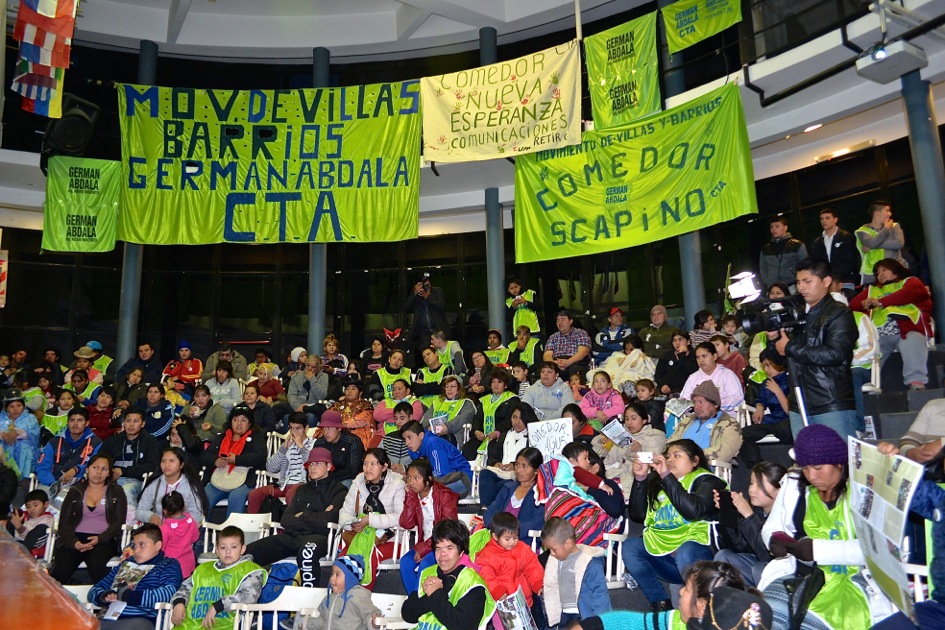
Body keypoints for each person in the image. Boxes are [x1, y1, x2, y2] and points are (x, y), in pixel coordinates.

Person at [761, 424, 895, 629]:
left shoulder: (863, 488)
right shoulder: (793, 484)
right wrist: (774, 539)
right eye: (805, 468)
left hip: (856, 577)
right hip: (800, 574)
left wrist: (817, 550)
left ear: (839, 464)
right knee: (765, 616)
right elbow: (771, 527)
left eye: (818, 468)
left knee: (815, 622)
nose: (812, 476)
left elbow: (876, 549)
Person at [623, 439, 726, 611]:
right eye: (668, 456)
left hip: (699, 559)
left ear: (695, 461)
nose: (670, 460)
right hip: (665, 559)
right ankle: (660, 603)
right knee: (631, 547)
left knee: (686, 550)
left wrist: (666, 477)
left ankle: (701, 604)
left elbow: (693, 511)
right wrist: (640, 479)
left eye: (677, 456)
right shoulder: (658, 482)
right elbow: (637, 514)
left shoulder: (708, 481)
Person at [768, 257, 859, 438]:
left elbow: (835, 354)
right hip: (798, 404)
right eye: (798, 282)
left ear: (826, 281)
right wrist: (775, 340)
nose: (801, 287)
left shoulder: (840, 313)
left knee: (837, 463)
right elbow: (781, 361)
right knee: (807, 463)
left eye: (807, 281)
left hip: (830, 402)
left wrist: (789, 347)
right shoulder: (796, 315)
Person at [572, 561, 772, 630]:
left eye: (687, 589)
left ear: (702, 606)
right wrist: (591, 625)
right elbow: (634, 623)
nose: (681, 591)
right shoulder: (677, 619)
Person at [244, 447, 347, 570]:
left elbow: (329, 520)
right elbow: (286, 520)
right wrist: (318, 516)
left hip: (320, 539)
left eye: (318, 463)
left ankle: (308, 589)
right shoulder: (302, 489)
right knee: (249, 553)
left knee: (307, 553)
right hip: (293, 536)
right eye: (310, 463)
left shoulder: (339, 490)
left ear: (329, 466)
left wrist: (302, 515)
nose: (312, 467)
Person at [850, 257, 933, 391]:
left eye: (884, 270)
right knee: (867, 354)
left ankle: (916, 382)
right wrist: (864, 303)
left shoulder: (911, 281)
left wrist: (880, 301)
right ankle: (866, 384)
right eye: (877, 272)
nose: (880, 274)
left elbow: (908, 294)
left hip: (907, 330)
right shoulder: (872, 289)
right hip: (879, 335)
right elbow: (853, 304)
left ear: (895, 269)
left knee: (914, 342)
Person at [401, 519, 495, 630]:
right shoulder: (428, 572)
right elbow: (407, 614)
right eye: (438, 549)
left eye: (449, 548)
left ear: (461, 552)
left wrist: (436, 594)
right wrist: (430, 597)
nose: (442, 554)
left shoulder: (472, 582)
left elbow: (462, 626)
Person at [87, 523, 184, 629]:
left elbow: (169, 592)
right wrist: (104, 596)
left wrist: (131, 596)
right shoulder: (125, 564)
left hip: (143, 618)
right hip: (109, 618)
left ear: (158, 545)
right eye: (134, 546)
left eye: (142, 545)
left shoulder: (168, 564)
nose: (136, 550)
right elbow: (94, 590)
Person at [170, 525, 267, 630]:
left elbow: (249, 596)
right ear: (216, 550)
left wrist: (219, 605)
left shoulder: (250, 570)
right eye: (223, 547)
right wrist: (179, 603)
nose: (228, 551)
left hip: (224, 625)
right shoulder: (203, 569)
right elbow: (185, 588)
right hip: (188, 625)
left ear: (242, 549)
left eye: (233, 547)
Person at [50, 454, 127, 584]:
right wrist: (74, 542)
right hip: (74, 539)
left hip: (103, 540)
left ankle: (102, 599)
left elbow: (118, 522)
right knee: (61, 568)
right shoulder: (74, 491)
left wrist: (100, 539)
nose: (98, 472)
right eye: (95, 467)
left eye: (104, 469)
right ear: (87, 469)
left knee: (97, 564)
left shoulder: (116, 491)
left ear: (109, 473)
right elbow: (65, 522)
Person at [337, 448, 405, 586]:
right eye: (365, 464)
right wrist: (353, 524)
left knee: (368, 558)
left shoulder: (397, 484)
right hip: (361, 537)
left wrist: (370, 520)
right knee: (342, 560)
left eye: (373, 464)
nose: (368, 468)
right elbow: (344, 513)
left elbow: (400, 517)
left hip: (390, 538)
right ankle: (342, 601)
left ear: (384, 466)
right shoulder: (358, 483)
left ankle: (362, 602)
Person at [713, 461, 786, 587]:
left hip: (780, 571)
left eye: (760, 485)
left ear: (780, 490)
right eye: (752, 483)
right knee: (723, 556)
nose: (752, 490)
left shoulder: (786, 516)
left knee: (759, 568)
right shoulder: (756, 512)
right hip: (756, 566)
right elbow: (737, 547)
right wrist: (727, 513)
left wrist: (748, 516)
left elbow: (766, 556)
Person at [398, 458, 460, 593]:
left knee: (425, 565)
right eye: (408, 478)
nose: (411, 482)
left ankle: (420, 603)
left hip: (441, 544)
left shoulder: (445, 495)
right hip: (424, 544)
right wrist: (409, 497)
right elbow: (406, 523)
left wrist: (424, 549)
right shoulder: (414, 495)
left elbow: (447, 529)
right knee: (405, 563)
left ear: (428, 480)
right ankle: (414, 600)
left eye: (416, 478)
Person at [541, 516, 611, 628]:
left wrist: (602, 622)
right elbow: (552, 587)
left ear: (568, 543)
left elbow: (600, 595)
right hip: (564, 616)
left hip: (583, 616)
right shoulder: (555, 562)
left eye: (554, 549)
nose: (551, 553)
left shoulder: (590, 564)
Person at [201, 405, 267, 517]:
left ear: (249, 423)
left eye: (243, 420)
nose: (239, 424)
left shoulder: (256, 437)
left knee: (236, 497)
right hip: (219, 479)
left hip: (245, 481)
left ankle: (232, 533)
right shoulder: (223, 437)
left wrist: (237, 459)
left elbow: (260, 456)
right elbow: (205, 455)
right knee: (204, 499)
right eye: (235, 420)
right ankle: (200, 534)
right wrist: (215, 460)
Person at [475, 512, 544, 615]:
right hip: (501, 605)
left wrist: (538, 583)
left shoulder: (522, 549)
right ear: (495, 536)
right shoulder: (487, 555)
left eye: (515, 538)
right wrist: (497, 590)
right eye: (507, 539)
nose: (512, 542)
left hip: (524, 602)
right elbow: (486, 576)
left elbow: (533, 567)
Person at [593, 402, 667, 493]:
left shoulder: (655, 436)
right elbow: (608, 460)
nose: (629, 423)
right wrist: (602, 442)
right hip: (617, 475)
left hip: (640, 480)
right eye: (627, 419)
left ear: (644, 420)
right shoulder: (622, 434)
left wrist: (637, 451)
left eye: (633, 418)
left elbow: (653, 462)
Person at [247, 412, 313, 514]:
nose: (294, 432)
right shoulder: (286, 445)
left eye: (298, 428)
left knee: (292, 493)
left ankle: (289, 528)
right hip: (284, 485)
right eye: (291, 428)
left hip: (303, 485)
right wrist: (283, 449)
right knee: (254, 494)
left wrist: (301, 446)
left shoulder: (313, 444)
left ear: (306, 428)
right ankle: (254, 527)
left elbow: (312, 465)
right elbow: (270, 468)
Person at [738, 350, 792, 471]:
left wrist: (777, 391)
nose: (767, 370)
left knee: (784, 428)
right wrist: (760, 407)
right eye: (764, 366)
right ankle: (759, 468)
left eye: (769, 365)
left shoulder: (790, 380)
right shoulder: (766, 383)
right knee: (742, 434)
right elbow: (760, 399)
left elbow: (790, 410)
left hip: (788, 420)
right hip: (771, 422)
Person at [482, 447, 545, 549]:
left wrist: (509, 535)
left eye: (525, 466)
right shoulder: (508, 488)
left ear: (536, 470)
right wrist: (497, 530)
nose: (519, 470)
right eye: (517, 464)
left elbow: (536, 523)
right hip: (500, 542)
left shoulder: (540, 494)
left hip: (524, 545)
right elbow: (491, 511)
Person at [298, 554, 381, 630]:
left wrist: (374, 622)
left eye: (337, 574)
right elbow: (323, 620)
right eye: (332, 574)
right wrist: (306, 625)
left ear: (350, 579)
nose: (332, 579)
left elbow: (369, 613)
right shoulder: (329, 599)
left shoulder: (357, 596)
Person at [669, 380, 742, 466]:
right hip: (677, 469)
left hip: (707, 472)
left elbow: (725, 452)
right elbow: (670, 444)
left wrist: (689, 458)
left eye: (701, 402)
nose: (697, 406)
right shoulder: (687, 421)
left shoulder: (729, 424)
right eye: (695, 402)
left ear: (715, 404)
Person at [102, 409, 161, 507]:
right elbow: (99, 460)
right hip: (111, 479)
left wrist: (123, 471)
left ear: (143, 424)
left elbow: (151, 466)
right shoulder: (112, 441)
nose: (131, 425)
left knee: (126, 493)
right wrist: (109, 473)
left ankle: (127, 521)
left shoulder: (150, 441)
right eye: (128, 421)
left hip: (136, 480)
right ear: (124, 423)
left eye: (136, 421)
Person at [137, 447, 208, 527]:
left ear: (182, 464)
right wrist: (151, 516)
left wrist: (181, 527)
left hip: (183, 530)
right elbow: (140, 511)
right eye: (163, 461)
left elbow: (197, 515)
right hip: (159, 530)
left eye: (171, 461)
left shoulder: (190, 486)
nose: (166, 465)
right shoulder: (154, 485)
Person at [36, 406, 103, 488]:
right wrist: (53, 484)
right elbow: (43, 467)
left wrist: (76, 469)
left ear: (87, 423)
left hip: (81, 486)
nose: (75, 424)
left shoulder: (96, 443)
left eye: (80, 420)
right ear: (67, 423)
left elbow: (96, 467)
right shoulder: (54, 442)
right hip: (52, 483)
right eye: (72, 420)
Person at [402, 421, 472, 497]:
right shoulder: (413, 449)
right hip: (443, 481)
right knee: (405, 489)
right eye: (404, 439)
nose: (407, 443)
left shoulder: (433, 443)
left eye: (409, 437)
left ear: (421, 435)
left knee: (427, 492)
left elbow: (441, 475)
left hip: (461, 480)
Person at [462, 370, 518, 460]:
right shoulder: (484, 400)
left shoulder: (512, 399)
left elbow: (510, 420)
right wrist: (476, 431)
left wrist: (498, 432)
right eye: (493, 382)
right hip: (484, 437)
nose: (496, 384)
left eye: (499, 382)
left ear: (505, 385)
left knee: (493, 449)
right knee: (468, 448)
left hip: (502, 435)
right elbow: (478, 419)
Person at [680, 342, 744, 413]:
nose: (701, 360)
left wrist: (714, 404)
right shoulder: (693, 378)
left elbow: (738, 399)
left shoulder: (727, 375)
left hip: (724, 418)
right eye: (698, 357)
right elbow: (683, 400)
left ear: (714, 356)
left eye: (704, 356)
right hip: (698, 419)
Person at [811, 207, 860, 296]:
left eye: (827, 218)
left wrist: (836, 277)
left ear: (835, 219)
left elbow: (851, 260)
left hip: (845, 280)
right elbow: (816, 263)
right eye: (821, 219)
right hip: (826, 283)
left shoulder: (845, 236)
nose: (824, 221)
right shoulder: (817, 242)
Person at [856, 200, 906, 284]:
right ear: (877, 213)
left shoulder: (894, 226)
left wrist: (874, 245)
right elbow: (871, 243)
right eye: (887, 211)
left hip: (894, 272)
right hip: (871, 274)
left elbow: (899, 243)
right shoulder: (863, 231)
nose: (890, 214)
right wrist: (885, 229)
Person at [405, 273, 449, 366]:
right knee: (426, 355)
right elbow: (406, 307)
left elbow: (442, 306)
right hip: (423, 332)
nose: (425, 286)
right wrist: (414, 293)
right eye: (422, 284)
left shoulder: (437, 291)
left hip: (437, 329)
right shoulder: (417, 294)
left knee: (441, 353)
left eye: (426, 283)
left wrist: (428, 296)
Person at [311, 410, 365, 486]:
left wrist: (327, 477)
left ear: (339, 428)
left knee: (344, 484)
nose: (326, 432)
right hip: (324, 479)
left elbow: (352, 471)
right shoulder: (320, 443)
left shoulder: (352, 442)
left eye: (329, 428)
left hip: (347, 480)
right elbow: (312, 465)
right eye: (324, 428)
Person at [421, 376, 475, 447]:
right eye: (447, 386)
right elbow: (426, 417)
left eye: (452, 386)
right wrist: (429, 427)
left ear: (459, 389)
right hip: (433, 433)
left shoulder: (466, 403)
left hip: (452, 436)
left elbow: (461, 420)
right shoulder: (437, 402)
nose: (449, 389)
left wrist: (446, 427)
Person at [759, 215, 808, 291]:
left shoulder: (797, 245)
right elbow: (763, 269)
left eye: (777, 226)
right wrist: (768, 283)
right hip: (772, 287)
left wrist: (799, 283)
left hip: (792, 286)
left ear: (785, 227)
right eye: (771, 227)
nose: (773, 229)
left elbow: (805, 267)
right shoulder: (765, 248)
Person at [0, 387, 40, 480]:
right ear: (6, 408)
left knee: (25, 447)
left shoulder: (30, 418)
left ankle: (23, 480)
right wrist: (2, 435)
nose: (16, 409)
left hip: (25, 454)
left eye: (19, 405)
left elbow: (34, 436)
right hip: (4, 453)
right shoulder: (1, 418)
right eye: (11, 406)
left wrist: (17, 432)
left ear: (24, 406)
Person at [160, 491, 201, 578]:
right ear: (184, 506)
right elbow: (195, 537)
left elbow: (161, 547)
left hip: (170, 566)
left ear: (164, 511)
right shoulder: (191, 521)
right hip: (188, 564)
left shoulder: (165, 528)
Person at [543, 310, 592, 378]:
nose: (560, 323)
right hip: (556, 363)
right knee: (543, 370)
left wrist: (567, 362)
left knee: (574, 370)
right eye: (558, 320)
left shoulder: (581, 333)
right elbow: (547, 355)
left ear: (570, 321)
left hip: (575, 362)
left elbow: (582, 353)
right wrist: (554, 363)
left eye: (563, 319)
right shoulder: (553, 337)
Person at [9, 488, 55, 559]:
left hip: (35, 546)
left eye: (35, 505)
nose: (32, 509)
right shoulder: (25, 517)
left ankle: (22, 553)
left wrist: (20, 528)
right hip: (18, 542)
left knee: (42, 527)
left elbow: (33, 536)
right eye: (28, 507)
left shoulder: (48, 519)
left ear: (45, 504)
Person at [289, 354, 330, 425]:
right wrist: (298, 407)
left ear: (319, 368)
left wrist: (312, 379)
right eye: (308, 365)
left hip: (312, 409)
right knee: (287, 417)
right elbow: (291, 395)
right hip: (297, 408)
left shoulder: (324, 377)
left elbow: (322, 396)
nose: (310, 369)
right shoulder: (297, 377)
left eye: (313, 367)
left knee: (310, 417)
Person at [654, 330, 698, 395]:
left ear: (688, 342)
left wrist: (682, 355)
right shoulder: (666, 355)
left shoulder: (695, 355)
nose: (677, 343)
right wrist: (663, 385)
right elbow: (658, 374)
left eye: (680, 340)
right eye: (674, 340)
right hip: (667, 389)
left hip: (687, 390)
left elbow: (692, 372)